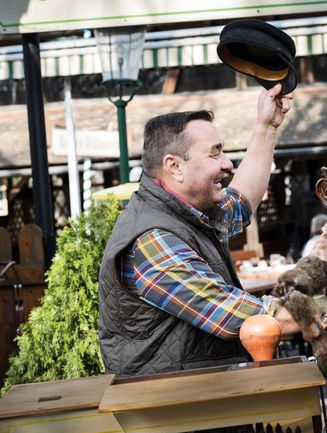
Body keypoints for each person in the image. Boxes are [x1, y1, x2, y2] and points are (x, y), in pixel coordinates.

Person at [98, 84, 298, 377]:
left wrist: (266, 127)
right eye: (214, 154)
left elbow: (242, 200)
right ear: (174, 166)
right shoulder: (152, 240)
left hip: (198, 392)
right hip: (168, 402)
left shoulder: (188, 213)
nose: (227, 163)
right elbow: (233, 314)